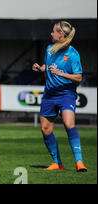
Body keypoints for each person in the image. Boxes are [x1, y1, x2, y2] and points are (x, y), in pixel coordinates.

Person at [32, 21, 87, 172]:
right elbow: (47, 66)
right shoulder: (49, 49)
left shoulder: (73, 54)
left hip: (66, 94)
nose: (51, 34)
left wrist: (61, 74)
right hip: (49, 94)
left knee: (69, 124)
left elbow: (78, 78)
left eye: (53, 31)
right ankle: (58, 163)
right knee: (45, 129)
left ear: (60, 35)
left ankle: (79, 162)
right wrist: (40, 68)